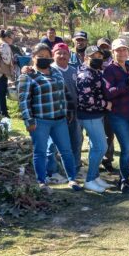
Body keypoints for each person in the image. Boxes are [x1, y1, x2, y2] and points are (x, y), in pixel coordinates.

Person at [17, 43, 82, 192]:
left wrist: (70, 110)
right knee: (40, 151)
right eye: (40, 56)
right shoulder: (27, 76)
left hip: (60, 120)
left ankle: (72, 179)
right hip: (40, 121)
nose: (44, 59)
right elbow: (24, 101)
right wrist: (29, 121)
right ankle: (42, 181)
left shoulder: (56, 72)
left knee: (66, 151)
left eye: (47, 56)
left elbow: (65, 93)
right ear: (33, 58)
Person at [103, 38, 129, 193]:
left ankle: (125, 177)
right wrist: (126, 82)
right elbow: (108, 92)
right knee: (126, 147)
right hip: (118, 114)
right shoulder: (109, 70)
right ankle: (123, 179)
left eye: (124, 49)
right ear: (113, 52)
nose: (122, 52)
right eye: (118, 50)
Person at [76, 46, 112, 193]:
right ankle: (90, 179)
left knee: (95, 147)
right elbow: (86, 100)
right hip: (89, 115)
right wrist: (106, 104)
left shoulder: (96, 72)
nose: (97, 59)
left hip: (97, 114)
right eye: (93, 57)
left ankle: (95, 176)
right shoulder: (86, 75)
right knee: (101, 147)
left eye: (99, 56)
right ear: (86, 58)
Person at [47, 43, 83, 182]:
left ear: (69, 55)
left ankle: (75, 168)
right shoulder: (49, 70)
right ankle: (52, 171)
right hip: (57, 114)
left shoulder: (74, 71)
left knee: (76, 141)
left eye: (65, 53)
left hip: (74, 113)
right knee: (53, 144)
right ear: (53, 55)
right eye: (59, 53)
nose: (62, 56)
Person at [96, 37, 116, 173]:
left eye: (106, 47)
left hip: (111, 105)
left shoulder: (114, 64)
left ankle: (108, 160)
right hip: (96, 106)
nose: (104, 50)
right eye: (101, 47)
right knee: (96, 135)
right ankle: (96, 162)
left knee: (109, 134)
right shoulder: (94, 64)